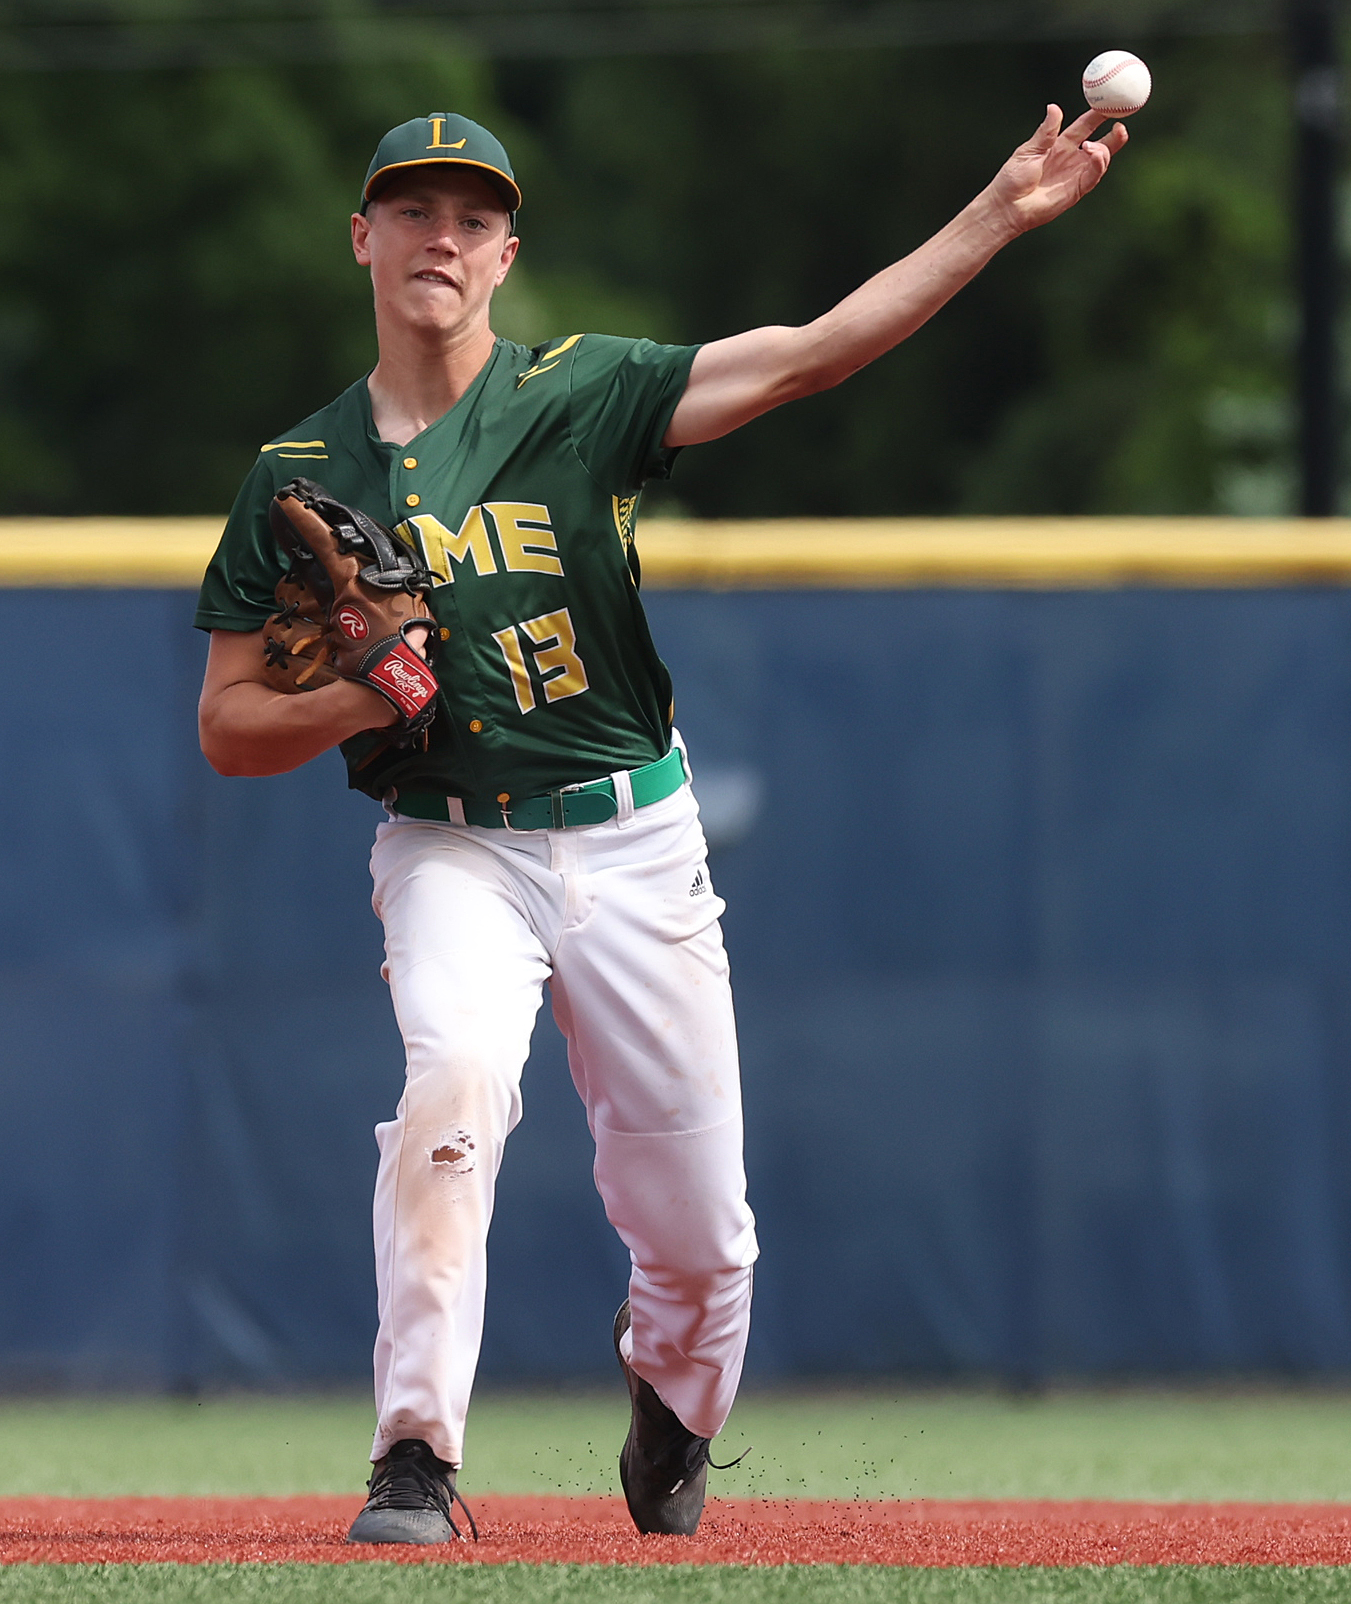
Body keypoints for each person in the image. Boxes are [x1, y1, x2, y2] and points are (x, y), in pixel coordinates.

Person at [195, 104, 1126, 1543]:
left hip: (635, 837)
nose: (440, 235)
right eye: (412, 209)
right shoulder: (295, 475)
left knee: (700, 1236)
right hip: (452, 843)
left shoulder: (582, 396)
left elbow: (817, 352)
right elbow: (228, 726)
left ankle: (674, 1403)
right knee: (453, 1089)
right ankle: (415, 1458)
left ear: (506, 254)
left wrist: (1001, 208)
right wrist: (360, 702)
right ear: (362, 238)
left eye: (471, 216)